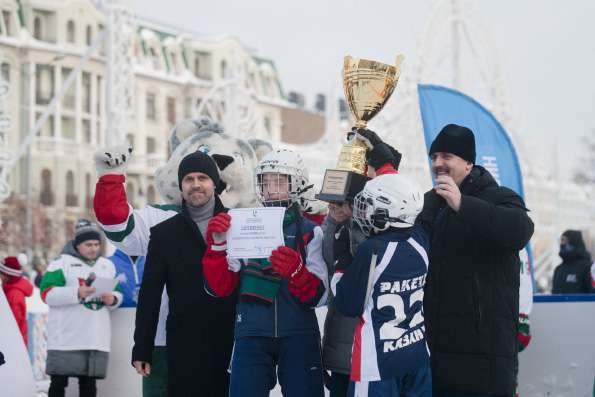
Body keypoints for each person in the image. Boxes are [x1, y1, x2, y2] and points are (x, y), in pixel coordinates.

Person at [202, 148, 328, 397]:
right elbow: (219, 288)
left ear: (297, 183)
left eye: (279, 181)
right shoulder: (242, 223)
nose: (270, 189)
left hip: (298, 331)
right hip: (251, 331)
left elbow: (321, 296)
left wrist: (297, 272)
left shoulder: (310, 231)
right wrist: (217, 246)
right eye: (265, 181)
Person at [420, 124, 534, 396]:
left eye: (446, 156)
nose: (438, 163)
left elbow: (520, 230)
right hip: (434, 354)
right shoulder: (429, 203)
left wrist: (463, 205)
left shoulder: (501, 197)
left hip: (484, 361)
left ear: (469, 163)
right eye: (434, 157)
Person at [131, 151, 237, 396]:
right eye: (189, 179)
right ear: (181, 185)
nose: (196, 184)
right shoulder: (164, 234)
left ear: (214, 183)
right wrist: (142, 348)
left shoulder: (237, 224)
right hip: (184, 341)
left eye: (203, 178)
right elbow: (149, 295)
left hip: (231, 338)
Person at [321, 129, 404, 397]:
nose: (334, 207)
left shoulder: (371, 231)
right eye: (331, 202)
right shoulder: (334, 228)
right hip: (344, 351)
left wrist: (357, 213)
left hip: (373, 352)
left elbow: (367, 259)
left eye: (340, 202)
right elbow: (328, 257)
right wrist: (337, 216)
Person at [40, 219, 122, 397]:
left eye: (96, 244)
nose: (93, 249)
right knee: (58, 382)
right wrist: (77, 292)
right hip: (65, 337)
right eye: (88, 244)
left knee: (89, 385)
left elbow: (118, 293)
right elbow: (47, 293)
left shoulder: (106, 266)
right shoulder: (60, 263)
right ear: (77, 244)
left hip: (94, 336)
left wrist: (113, 298)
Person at [0, 254, 33, 347]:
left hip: (14, 343)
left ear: (8, 275)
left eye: (1, 273)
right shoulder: (9, 290)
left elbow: (13, 323)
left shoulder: (14, 295)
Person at [552, 229, 594, 294]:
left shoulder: (589, 268)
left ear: (574, 242)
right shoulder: (558, 269)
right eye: (561, 241)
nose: (562, 244)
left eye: (564, 240)